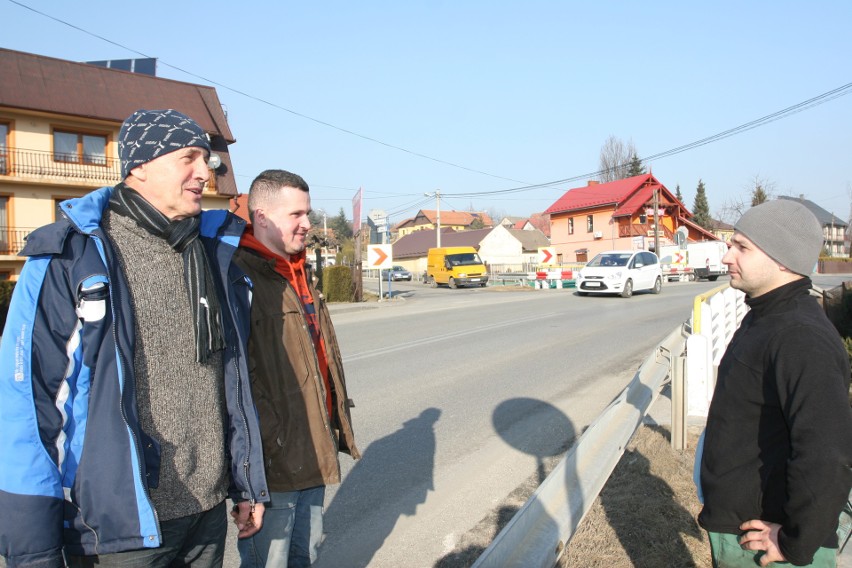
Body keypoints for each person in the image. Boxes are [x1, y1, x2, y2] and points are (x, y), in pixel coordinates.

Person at [0, 109, 269, 567]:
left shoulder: (209, 251)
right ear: (140, 166)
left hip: (207, 510)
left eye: (206, 159)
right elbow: (29, 403)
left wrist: (245, 483)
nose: (205, 172)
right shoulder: (72, 256)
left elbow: (230, 382)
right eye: (188, 158)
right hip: (122, 524)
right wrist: (34, 549)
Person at [697, 199, 852, 567]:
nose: (726, 257)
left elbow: (827, 453)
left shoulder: (799, 336)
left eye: (741, 247)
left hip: (765, 539)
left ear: (782, 259)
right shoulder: (766, 316)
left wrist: (796, 541)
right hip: (742, 525)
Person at [232, 169, 360, 567]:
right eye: (297, 215)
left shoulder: (297, 270)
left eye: (308, 213)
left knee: (305, 555)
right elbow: (232, 379)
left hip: (313, 443)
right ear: (263, 216)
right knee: (270, 560)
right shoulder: (240, 275)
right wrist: (247, 470)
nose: (308, 224)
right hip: (273, 459)